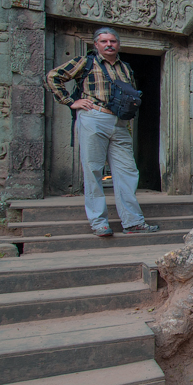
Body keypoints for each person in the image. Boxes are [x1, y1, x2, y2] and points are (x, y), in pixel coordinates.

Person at [45, 27, 159, 237]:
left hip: (120, 123)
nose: (109, 45)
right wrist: (71, 102)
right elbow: (54, 76)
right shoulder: (85, 62)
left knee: (127, 172)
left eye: (113, 41)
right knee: (94, 170)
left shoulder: (125, 67)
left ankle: (133, 222)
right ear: (96, 44)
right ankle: (99, 223)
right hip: (94, 117)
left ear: (118, 44)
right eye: (104, 41)